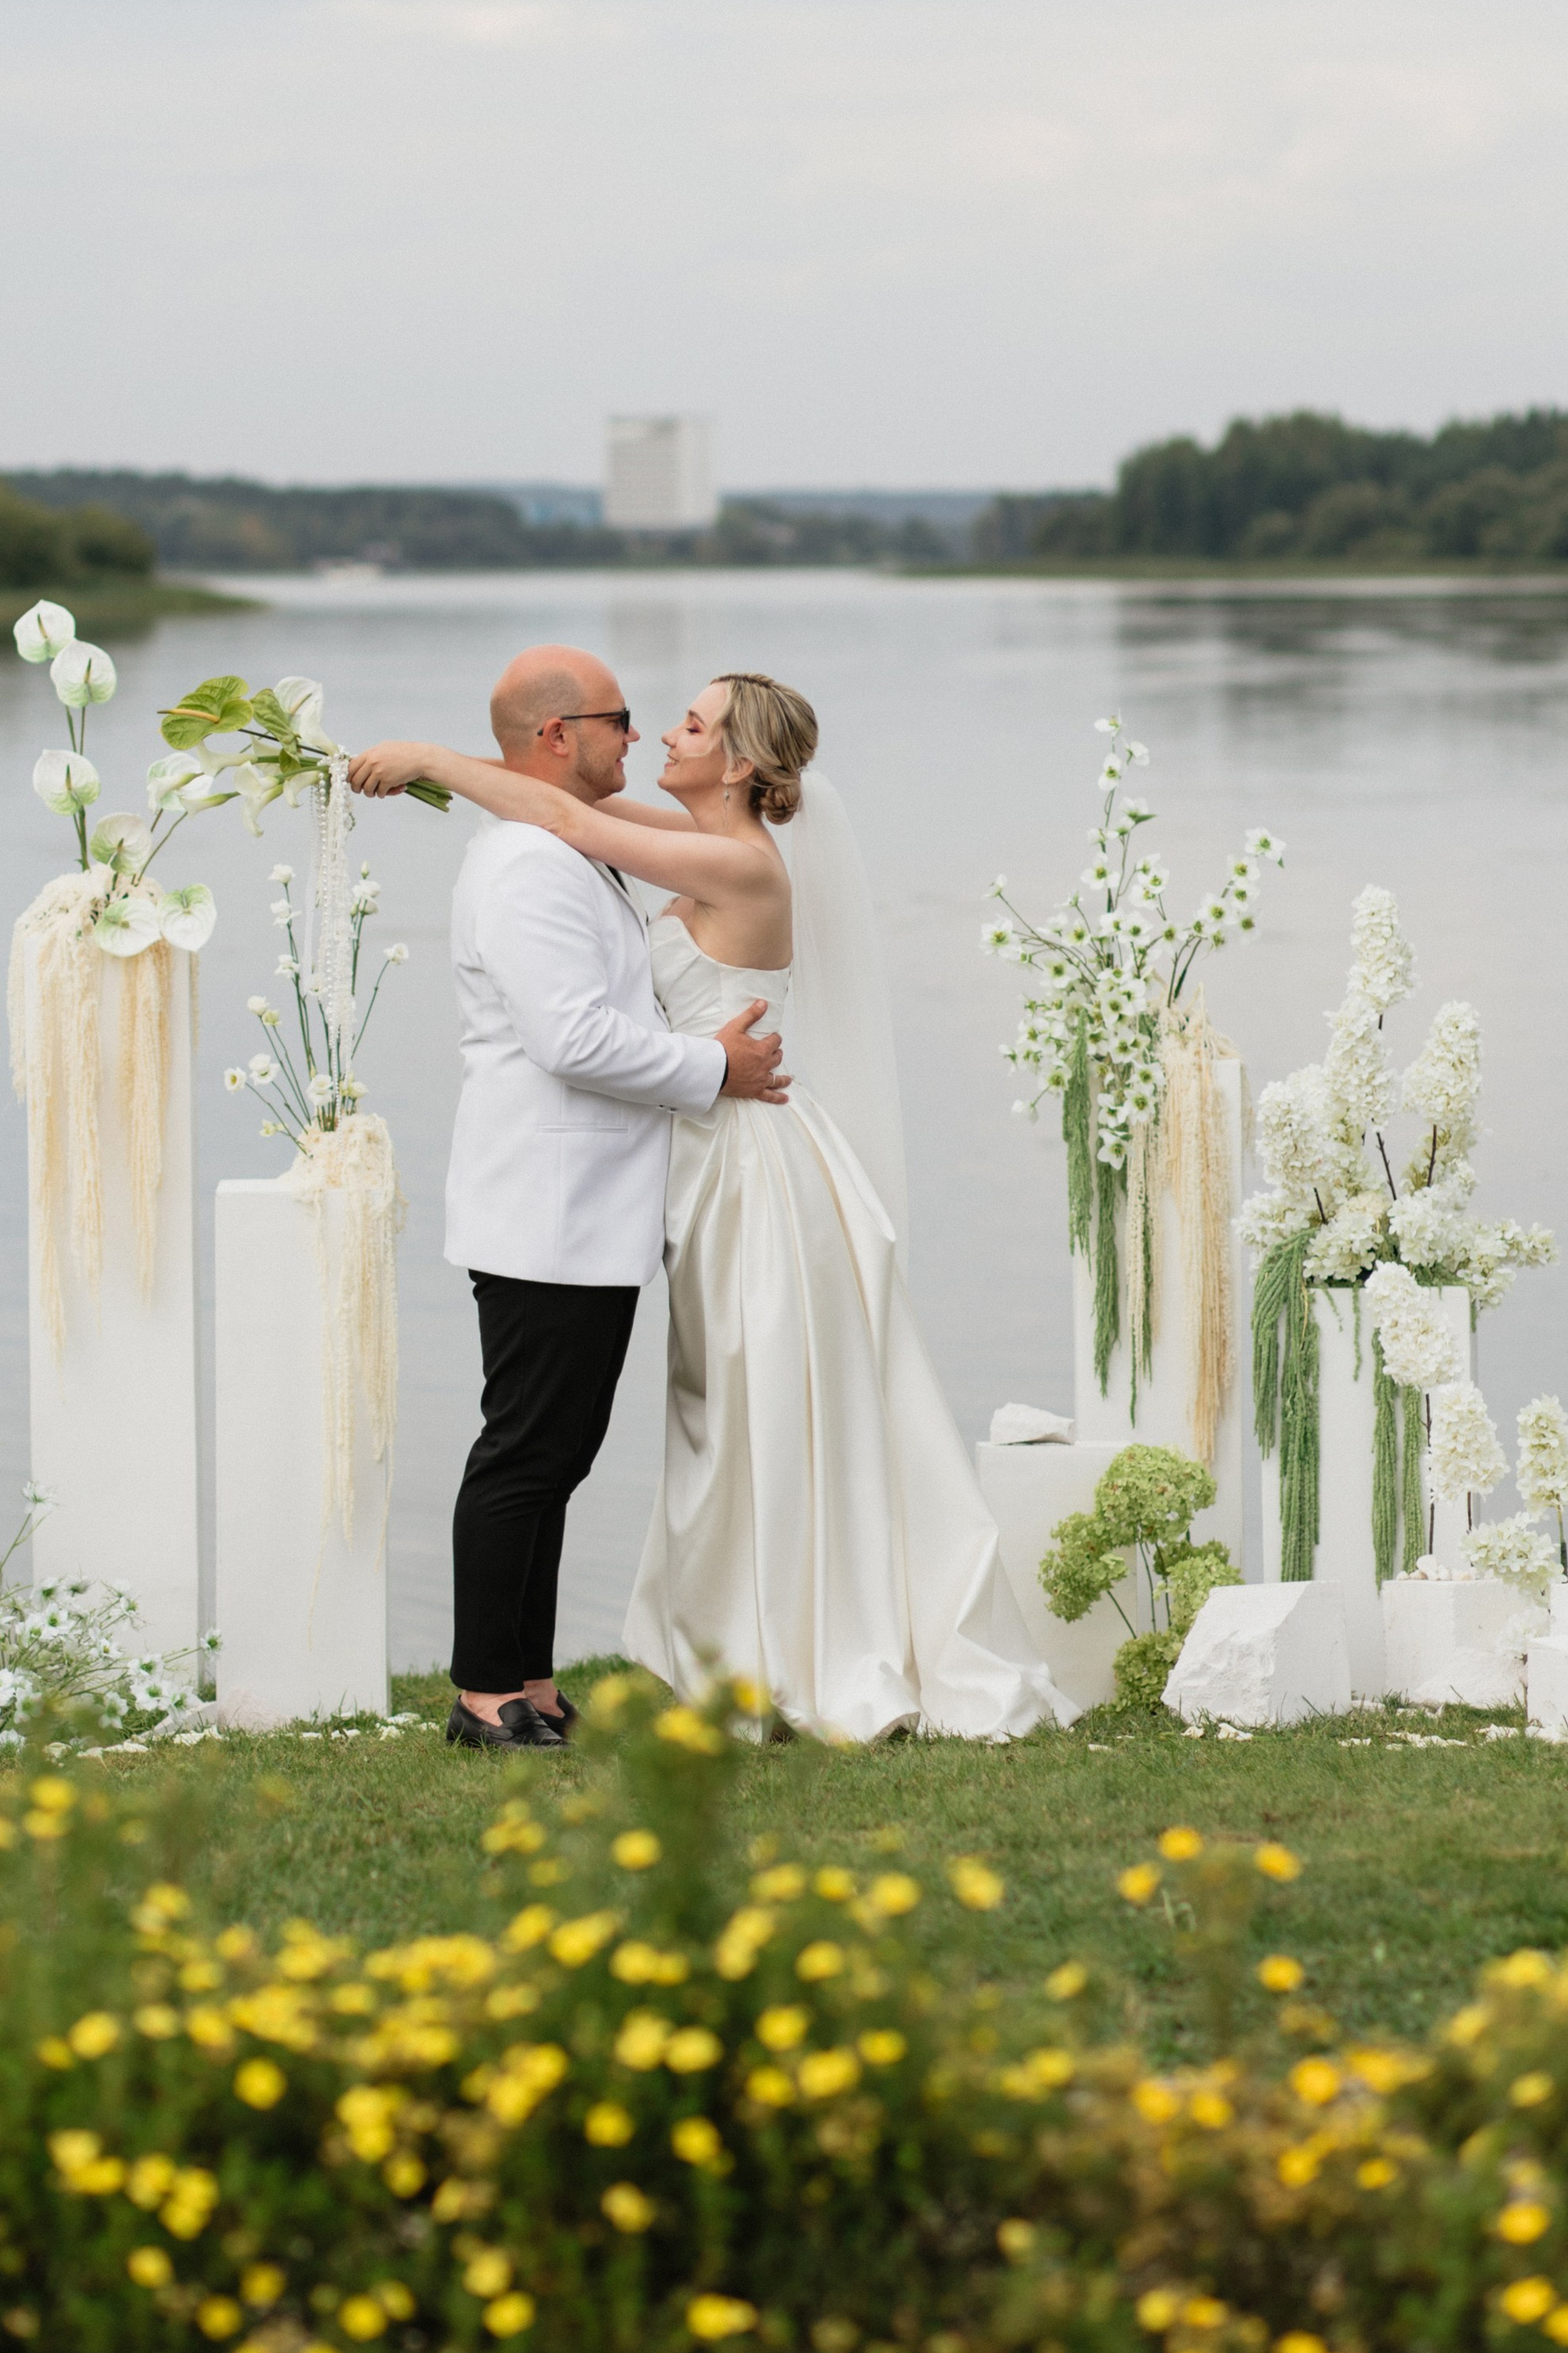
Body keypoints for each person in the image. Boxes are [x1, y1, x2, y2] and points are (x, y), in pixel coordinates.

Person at [352, 670, 1069, 1743]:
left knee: (749, 1411)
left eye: (686, 724)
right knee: (699, 1419)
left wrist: (426, 757)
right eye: (642, 720)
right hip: (695, 1165)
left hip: (749, 1168)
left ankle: (771, 1645)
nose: (656, 735)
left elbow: (558, 807)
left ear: (738, 763)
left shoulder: (732, 864)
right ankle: (607, 1667)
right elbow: (560, 809)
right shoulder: (654, 842)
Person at [361, 646, 790, 1751]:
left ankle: (532, 1679)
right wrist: (713, 1071)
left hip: (588, 1205)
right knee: (525, 1451)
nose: (635, 738)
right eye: (618, 720)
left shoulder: (564, 847)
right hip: (546, 1206)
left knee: (558, 1453)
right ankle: (484, 1693)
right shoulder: (526, 867)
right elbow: (572, 1040)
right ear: (559, 736)